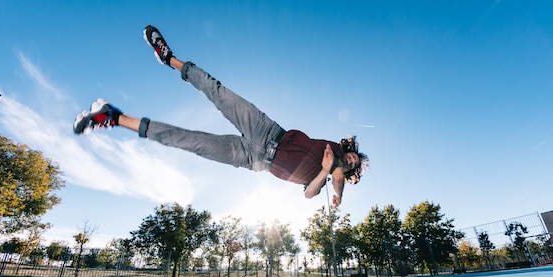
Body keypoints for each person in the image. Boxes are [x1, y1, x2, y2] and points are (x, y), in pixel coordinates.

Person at [74, 25, 368, 207]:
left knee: (189, 141)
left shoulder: (327, 176)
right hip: (267, 131)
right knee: (217, 91)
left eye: (351, 165)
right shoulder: (338, 151)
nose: (348, 161)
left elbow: (315, 190)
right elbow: (340, 172)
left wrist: (331, 184)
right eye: (351, 158)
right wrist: (336, 168)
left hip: (253, 161)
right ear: (349, 152)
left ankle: (113, 117)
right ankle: (169, 58)